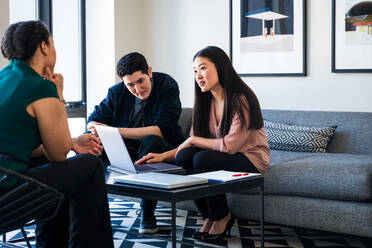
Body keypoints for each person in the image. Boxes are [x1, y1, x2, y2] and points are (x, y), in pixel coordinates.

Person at [136, 46, 270, 243]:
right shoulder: (205, 101)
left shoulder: (241, 99)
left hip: (250, 158)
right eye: (195, 71)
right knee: (185, 157)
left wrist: (193, 140)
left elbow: (230, 145)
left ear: (221, 67)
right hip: (225, 156)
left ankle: (222, 215)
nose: (198, 75)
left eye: (203, 68)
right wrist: (164, 156)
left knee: (202, 159)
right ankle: (210, 215)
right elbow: (191, 144)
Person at [0, 20, 114, 248]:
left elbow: (16, 145)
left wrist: (72, 142)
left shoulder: (4, 78)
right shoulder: (38, 86)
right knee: (90, 166)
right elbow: (59, 154)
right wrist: (58, 93)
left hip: (4, 178)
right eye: (52, 42)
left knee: (56, 169)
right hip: (7, 192)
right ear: (44, 46)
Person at [87, 52, 184, 234]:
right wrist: (94, 128)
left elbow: (160, 130)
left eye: (141, 81)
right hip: (129, 149)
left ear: (149, 71)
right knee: (89, 141)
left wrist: (114, 131)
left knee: (151, 140)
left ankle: (147, 216)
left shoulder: (167, 85)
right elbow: (93, 119)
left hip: (164, 148)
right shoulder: (116, 92)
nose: (137, 89)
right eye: (130, 85)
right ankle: (90, 211)